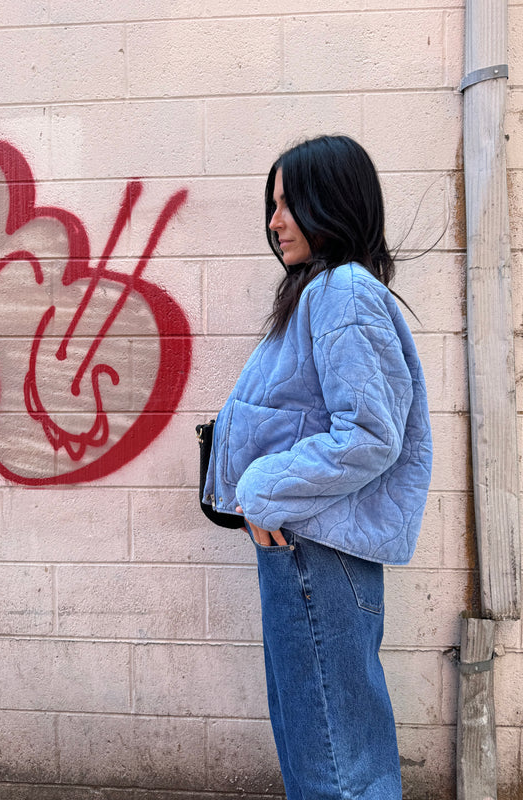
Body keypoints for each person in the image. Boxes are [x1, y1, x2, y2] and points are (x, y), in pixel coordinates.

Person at [202, 134, 433, 799]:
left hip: (315, 553)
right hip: (309, 549)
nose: (274, 222)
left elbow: (367, 433)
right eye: (271, 205)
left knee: (334, 766)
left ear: (330, 202)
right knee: (326, 747)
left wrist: (262, 489)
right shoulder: (322, 292)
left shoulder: (342, 292)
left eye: (288, 203)